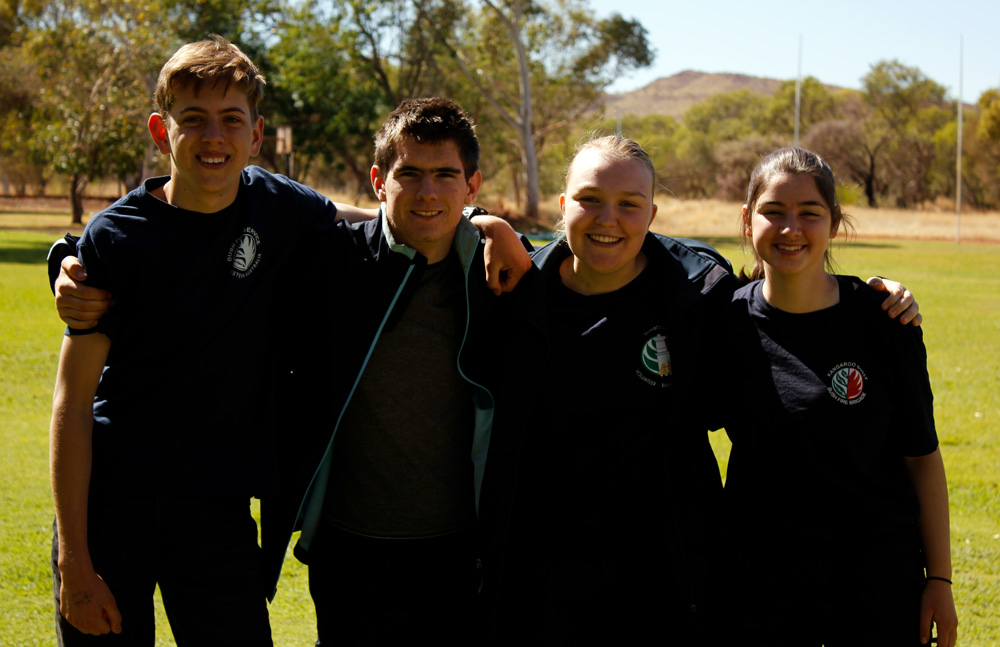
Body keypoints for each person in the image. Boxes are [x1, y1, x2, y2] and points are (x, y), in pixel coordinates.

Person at [50, 95, 533, 645]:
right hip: (340, 549)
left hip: (453, 549)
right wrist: (68, 259)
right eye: (411, 174)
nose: (428, 191)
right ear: (379, 180)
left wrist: (486, 222)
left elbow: (597, 262)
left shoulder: (503, 275)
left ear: (471, 185)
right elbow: (161, 246)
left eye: (447, 176)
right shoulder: (333, 259)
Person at [477, 136, 922, 645]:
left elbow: (788, 299)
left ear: (652, 212)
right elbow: (380, 223)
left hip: (665, 577)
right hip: (542, 574)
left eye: (629, 204)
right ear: (563, 205)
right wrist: (478, 218)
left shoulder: (699, 291)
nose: (608, 219)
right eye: (590, 199)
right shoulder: (510, 287)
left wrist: (872, 294)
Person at [722, 146, 958, 647]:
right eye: (773, 212)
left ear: (834, 223)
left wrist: (939, 579)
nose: (791, 229)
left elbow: (921, 457)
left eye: (810, 213)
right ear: (747, 220)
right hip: (763, 588)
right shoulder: (722, 322)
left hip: (876, 586)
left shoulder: (885, 321)